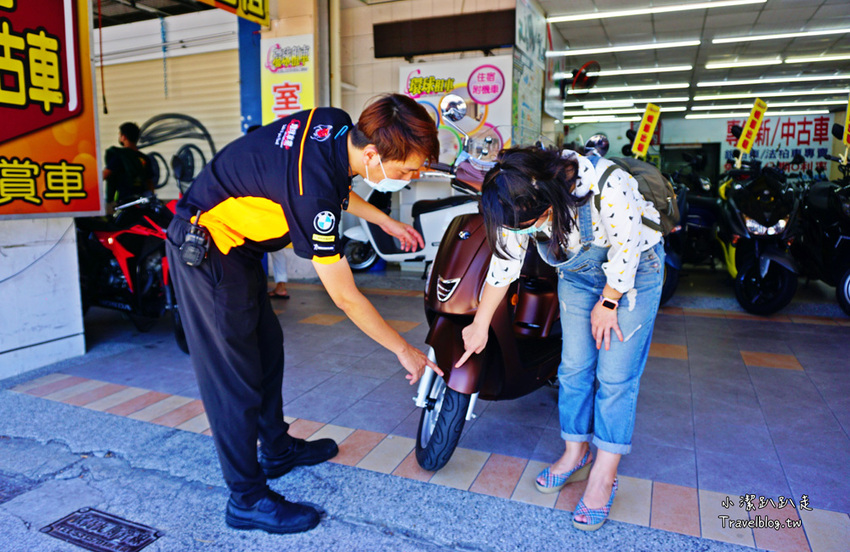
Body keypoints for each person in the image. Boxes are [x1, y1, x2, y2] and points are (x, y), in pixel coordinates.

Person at [165, 94, 443, 535]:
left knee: (267, 348)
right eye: (407, 171)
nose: (412, 178)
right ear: (372, 154)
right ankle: (246, 499)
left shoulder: (336, 125)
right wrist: (403, 350)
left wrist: (384, 221)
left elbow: (336, 188)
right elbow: (346, 297)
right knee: (233, 376)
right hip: (206, 246)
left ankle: (276, 450)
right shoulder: (312, 195)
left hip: (239, 249)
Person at [456, 147, 664, 532]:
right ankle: (575, 453)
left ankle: (604, 476)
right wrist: (480, 323)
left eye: (527, 225)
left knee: (615, 377)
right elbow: (505, 264)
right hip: (579, 278)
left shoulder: (606, 183)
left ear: (549, 200)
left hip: (635, 273)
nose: (521, 233)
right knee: (573, 369)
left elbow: (627, 249)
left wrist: (609, 301)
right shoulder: (513, 194)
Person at [103, 122, 154, 209]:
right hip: (141, 203)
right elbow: (150, 183)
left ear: (124, 137)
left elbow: (105, 174)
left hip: (123, 203)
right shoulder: (144, 158)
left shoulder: (120, 155)